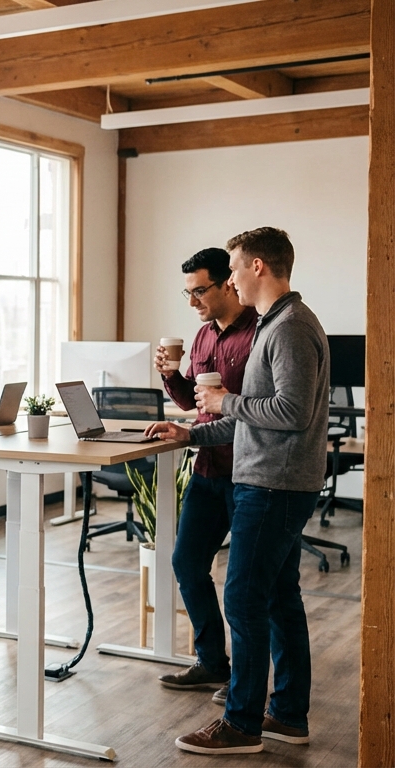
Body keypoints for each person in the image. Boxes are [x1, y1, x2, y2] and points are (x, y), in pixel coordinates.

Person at [147, 228, 329, 755]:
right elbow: (254, 419)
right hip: (269, 476)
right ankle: (289, 714)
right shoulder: (281, 324)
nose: (229, 280)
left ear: (256, 268)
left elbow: (289, 414)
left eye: (232, 269)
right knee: (277, 597)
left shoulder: (288, 328)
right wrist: (193, 432)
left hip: (273, 483)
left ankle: (243, 723)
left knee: (245, 598)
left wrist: (224, 402)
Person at [154, 248, 258, 694]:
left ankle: (256, 688)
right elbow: (193, 405)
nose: (193, 301)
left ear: (228, 283)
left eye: (200, 290)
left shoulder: (258, 331)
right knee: (187, 562)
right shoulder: (201, 338)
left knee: (249, 587)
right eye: (188, 292)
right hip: (208, 468)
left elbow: (255, 409)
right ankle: (212, 661)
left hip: (249, 472)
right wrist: (171, 375)